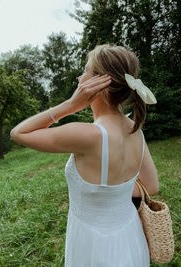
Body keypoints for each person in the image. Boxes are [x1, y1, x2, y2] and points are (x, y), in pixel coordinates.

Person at [10, 43, 159, 267]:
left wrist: (70, 105)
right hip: (130, 238)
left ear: (100, 83)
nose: (80, 78)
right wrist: (114, 194)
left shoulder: (89, 135)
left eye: (85, 70)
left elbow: (18, 133)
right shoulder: (135, 129)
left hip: (92, 245)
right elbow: (152, 185)